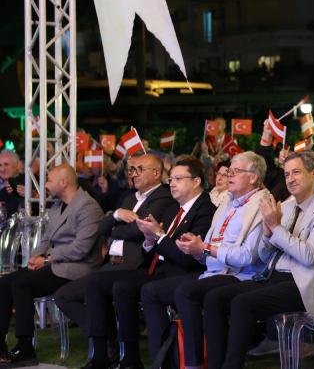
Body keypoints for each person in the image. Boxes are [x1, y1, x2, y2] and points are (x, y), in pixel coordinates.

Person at [204, 152, 314, 369]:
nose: (290, 179)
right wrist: (267, 236)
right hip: (272, 276)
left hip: (303, 284)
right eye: (287, 174)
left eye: (296, 172)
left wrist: (275, 228)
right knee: (215, 297)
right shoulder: (285, 207)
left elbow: (309, 256)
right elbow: (265, 255)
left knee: (242, 303)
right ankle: (214, 364)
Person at [81, 158, 216, 369]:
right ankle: (110, 354)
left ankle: (149, 359)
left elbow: (186, 257)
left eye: (178, 179)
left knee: (130, 288)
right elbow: (156, 245)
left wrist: (158, 235)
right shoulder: (175, 209)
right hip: (158, 268)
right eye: (171, 179)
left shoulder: (205, 210)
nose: (172, 183)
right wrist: (150, 240)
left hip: (181, 272)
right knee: (98, 282)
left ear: (196, 181)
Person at [140, 151, 268, 368]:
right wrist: (194, 248)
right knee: (151, 291)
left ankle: (194, 363)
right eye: (229, 171)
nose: (229, 175)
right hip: (212, 270)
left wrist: (205, 248)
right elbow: (205, 251)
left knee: (187, 292)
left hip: (240, 275)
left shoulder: (261, 204)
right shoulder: (227, 203)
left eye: (235, 171)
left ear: (253, 177)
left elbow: (247, 256)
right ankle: (163, 363)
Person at [55, 154, 178, 335]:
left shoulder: (163, 198)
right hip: (112, 263)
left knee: (91, 288)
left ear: (156, 173)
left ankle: (106, 338)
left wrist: (115, 228)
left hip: (134, 265)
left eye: (140, 169)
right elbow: (101, 228)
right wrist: (116, 215)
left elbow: (138, 230)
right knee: (64, 296)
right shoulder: (130, 198)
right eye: (132, 170)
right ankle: (107, 335)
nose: (134, 174)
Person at [0, 164, 103, 366]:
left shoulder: (88, 207)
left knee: (21, 285)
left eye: (48, 180)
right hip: (55, 264)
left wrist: (47, 259)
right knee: (4, 283)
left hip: (77, 267)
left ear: (63, 182)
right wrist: (36, 256)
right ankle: (1, 346)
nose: (45, 184)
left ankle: (25, 348)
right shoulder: (57, 206)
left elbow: (81, 248)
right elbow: (46, 239)